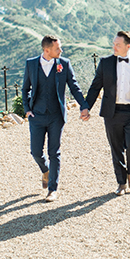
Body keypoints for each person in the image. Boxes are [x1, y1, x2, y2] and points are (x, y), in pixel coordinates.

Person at [85, 30, 130, 195]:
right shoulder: (105, 63)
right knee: (116, 149)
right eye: (113, 43)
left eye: (118, 44)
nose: (113, 46)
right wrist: (87, 107)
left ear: (128, 46)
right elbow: (95, 87)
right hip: (112, 112)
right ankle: (121, 183)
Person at [22, 35, 87, 202]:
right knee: (35, 152)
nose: (61, 51)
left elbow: (74, 86)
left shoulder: (64, 64)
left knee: (54, 152)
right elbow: (25, 89)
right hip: (36, 115)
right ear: (47, 50)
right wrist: (27, 109)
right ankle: (46, 170)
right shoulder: (31, 64)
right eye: (58, 48)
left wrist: (84, 105)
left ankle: (53, 189)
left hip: (56, 116)